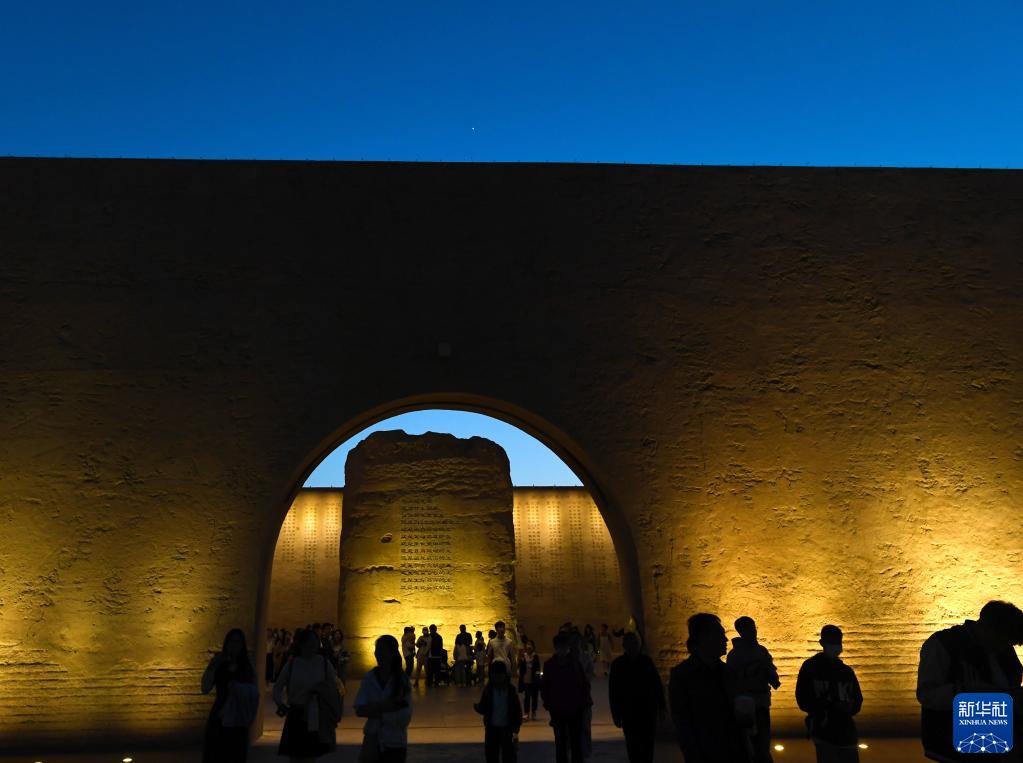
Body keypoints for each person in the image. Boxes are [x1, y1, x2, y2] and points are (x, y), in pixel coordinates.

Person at [917, 600, 1023, 762]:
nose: (1003, 646)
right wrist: (970, 692)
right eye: (1002, 640)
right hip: (956, 744)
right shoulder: (944, 644)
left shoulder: (1004, 650)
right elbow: (927, 695)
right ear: (988, 627)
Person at [669, 613, 750, 763]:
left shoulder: (728, 672)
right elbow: (683, 723)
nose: (725, 639)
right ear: (704, 638)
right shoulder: (683, 676)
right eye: (720, 634)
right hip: (704, 754)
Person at [795, 625, 862, 763]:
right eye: (832, 642)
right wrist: (826, 708)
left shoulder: (845, 671)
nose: (835, 646)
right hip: (825, 730)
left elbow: (857, 700)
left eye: (837, 642)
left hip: (844, 730)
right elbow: (803, 698)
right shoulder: (812, 668)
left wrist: (846, 707)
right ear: (822, 643)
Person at [273, 628, 341, 761]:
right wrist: (280, 703)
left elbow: (335, 685)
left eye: (315, 641)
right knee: (295, 756)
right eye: (309, 642)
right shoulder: (292, 664)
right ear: (301, 644)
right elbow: (278, 687)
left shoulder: (323, 663)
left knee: (311, 756)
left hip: (315, 714)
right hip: (296, 713)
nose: (313, 645)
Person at [727, 616, 781, 763]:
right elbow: (732, 679)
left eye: (753, 627)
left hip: (762, 702)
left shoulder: (761, 650)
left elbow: (771, 670)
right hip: (746, 705)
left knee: (763, 742)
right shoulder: (735, 654)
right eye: (748, 629)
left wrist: (770, 674)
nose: (753, 631)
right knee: (749, 745)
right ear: (741, 632)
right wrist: (750, 671)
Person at [201, 628, 259, 763]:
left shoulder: (247, 665)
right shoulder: (219, 663)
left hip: (238, 716)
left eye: (238, 641)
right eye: (231, 641)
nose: (234, 645)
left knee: (235, 754)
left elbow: (255, 691)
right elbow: (205, 688)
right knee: (216, 754)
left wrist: (239, 689)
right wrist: (213, 666)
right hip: (220, 714)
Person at [355, 634, 413, 763]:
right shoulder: (369, 678)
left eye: (383, 651)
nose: (379, 654)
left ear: (392, 654)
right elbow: (359, 709)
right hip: (372, 741)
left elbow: (405, 717)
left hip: (395, 742)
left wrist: (375, 710)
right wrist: (386, 707)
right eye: (378, 650)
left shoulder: (402, 680)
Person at [609, 632, 665, 763]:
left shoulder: (646, 662)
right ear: (624, 645)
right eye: (630, 643)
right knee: (633, 746)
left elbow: (656, 685)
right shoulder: (618, 664)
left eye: (635, 643)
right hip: (629, 712)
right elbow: (614, 691)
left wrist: (662, 706)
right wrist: (616, 714)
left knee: (647, 745)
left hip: (647, 711)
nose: (633, 646)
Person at [541, 632, 591, 763]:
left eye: (563, 646)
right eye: (559, 647)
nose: (561, 650)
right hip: (558, 710)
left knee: (575, 743)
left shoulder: (574, 663)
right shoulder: (550, 665)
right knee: (561, 744)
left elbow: (583, 684)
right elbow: (545, 686)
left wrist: (583, 702)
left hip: (574, 709)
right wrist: (549, 704)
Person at [475, 660, 523, 763]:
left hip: (507, 730)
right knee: (492, 756)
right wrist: (479, 708)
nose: (497, 678)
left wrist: (515, 729)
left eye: (499, 675)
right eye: (495, 675)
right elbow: (484, 707)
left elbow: (517, 711)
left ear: (505, 675)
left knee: (508, 757)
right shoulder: (488, 691)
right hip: (492, 729)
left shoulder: (510, 691)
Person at [569, 630, 596, 762]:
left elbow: (590, 673)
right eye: (573, 642)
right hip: (569, 699)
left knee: (585, 727)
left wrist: (583, 678)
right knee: (571, 729)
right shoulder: (566, 658)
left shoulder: (586, 657)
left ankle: (584, 753)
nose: (575, 644)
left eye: (577, 641)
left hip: (584, 698)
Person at [518, 639, 541, 721]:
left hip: (534, 680)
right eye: (528, 644)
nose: (529, 646)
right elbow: (520, 668)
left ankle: (533, 712)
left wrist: (538, 676)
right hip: (526, 680)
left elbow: (538, 668)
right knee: (527, 697)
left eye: (530, 644)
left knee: (534, 697)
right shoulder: (523, 656)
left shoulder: (535, 656)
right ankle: (526, 713)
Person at [427, 624, 445, 688]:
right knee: (437, 670)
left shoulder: (429, 636)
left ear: (430, 629)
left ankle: (429, 683)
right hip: (438, 656)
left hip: (431, 656)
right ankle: (437, 682)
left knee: (430, 670)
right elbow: (441, 646)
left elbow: (428, 646)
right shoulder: (439, 637)